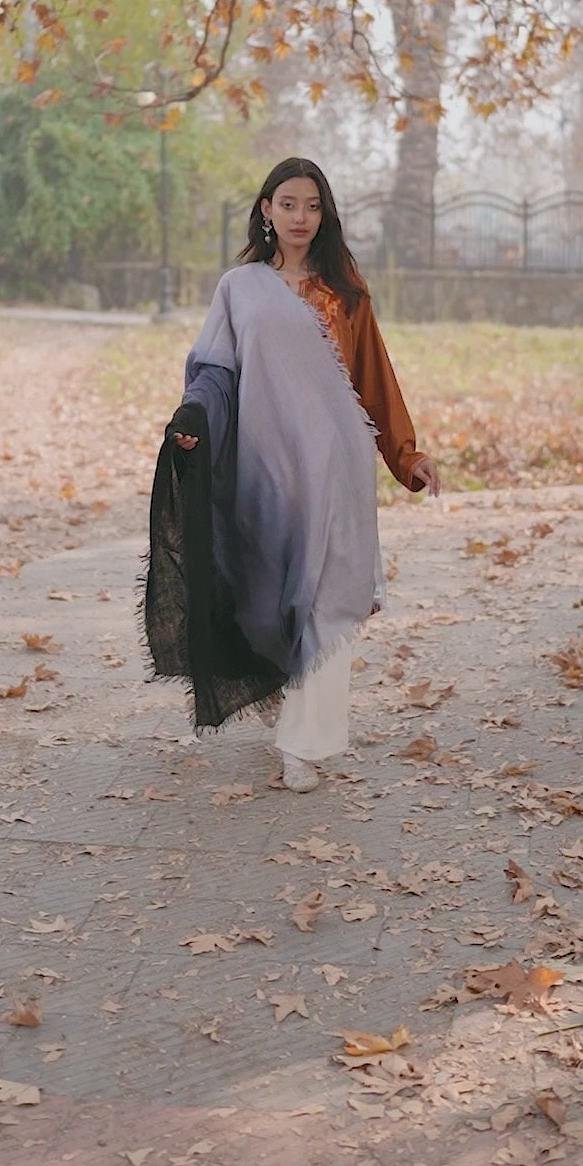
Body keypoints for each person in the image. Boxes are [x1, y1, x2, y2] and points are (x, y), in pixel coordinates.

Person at [142, 158, 439, 792]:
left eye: (312, 205)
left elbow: (375, 383)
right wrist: (192, 417)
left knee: (331, 601)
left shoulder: (346, 293)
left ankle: (306, 746)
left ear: (325, 214)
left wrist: (407, 456)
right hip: (265, 474)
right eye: (288, 204)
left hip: (337, 472)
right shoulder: (239, 287)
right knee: (271, 595)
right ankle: (279, 684)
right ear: (267, 211)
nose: (300, 216)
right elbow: (214, 373)